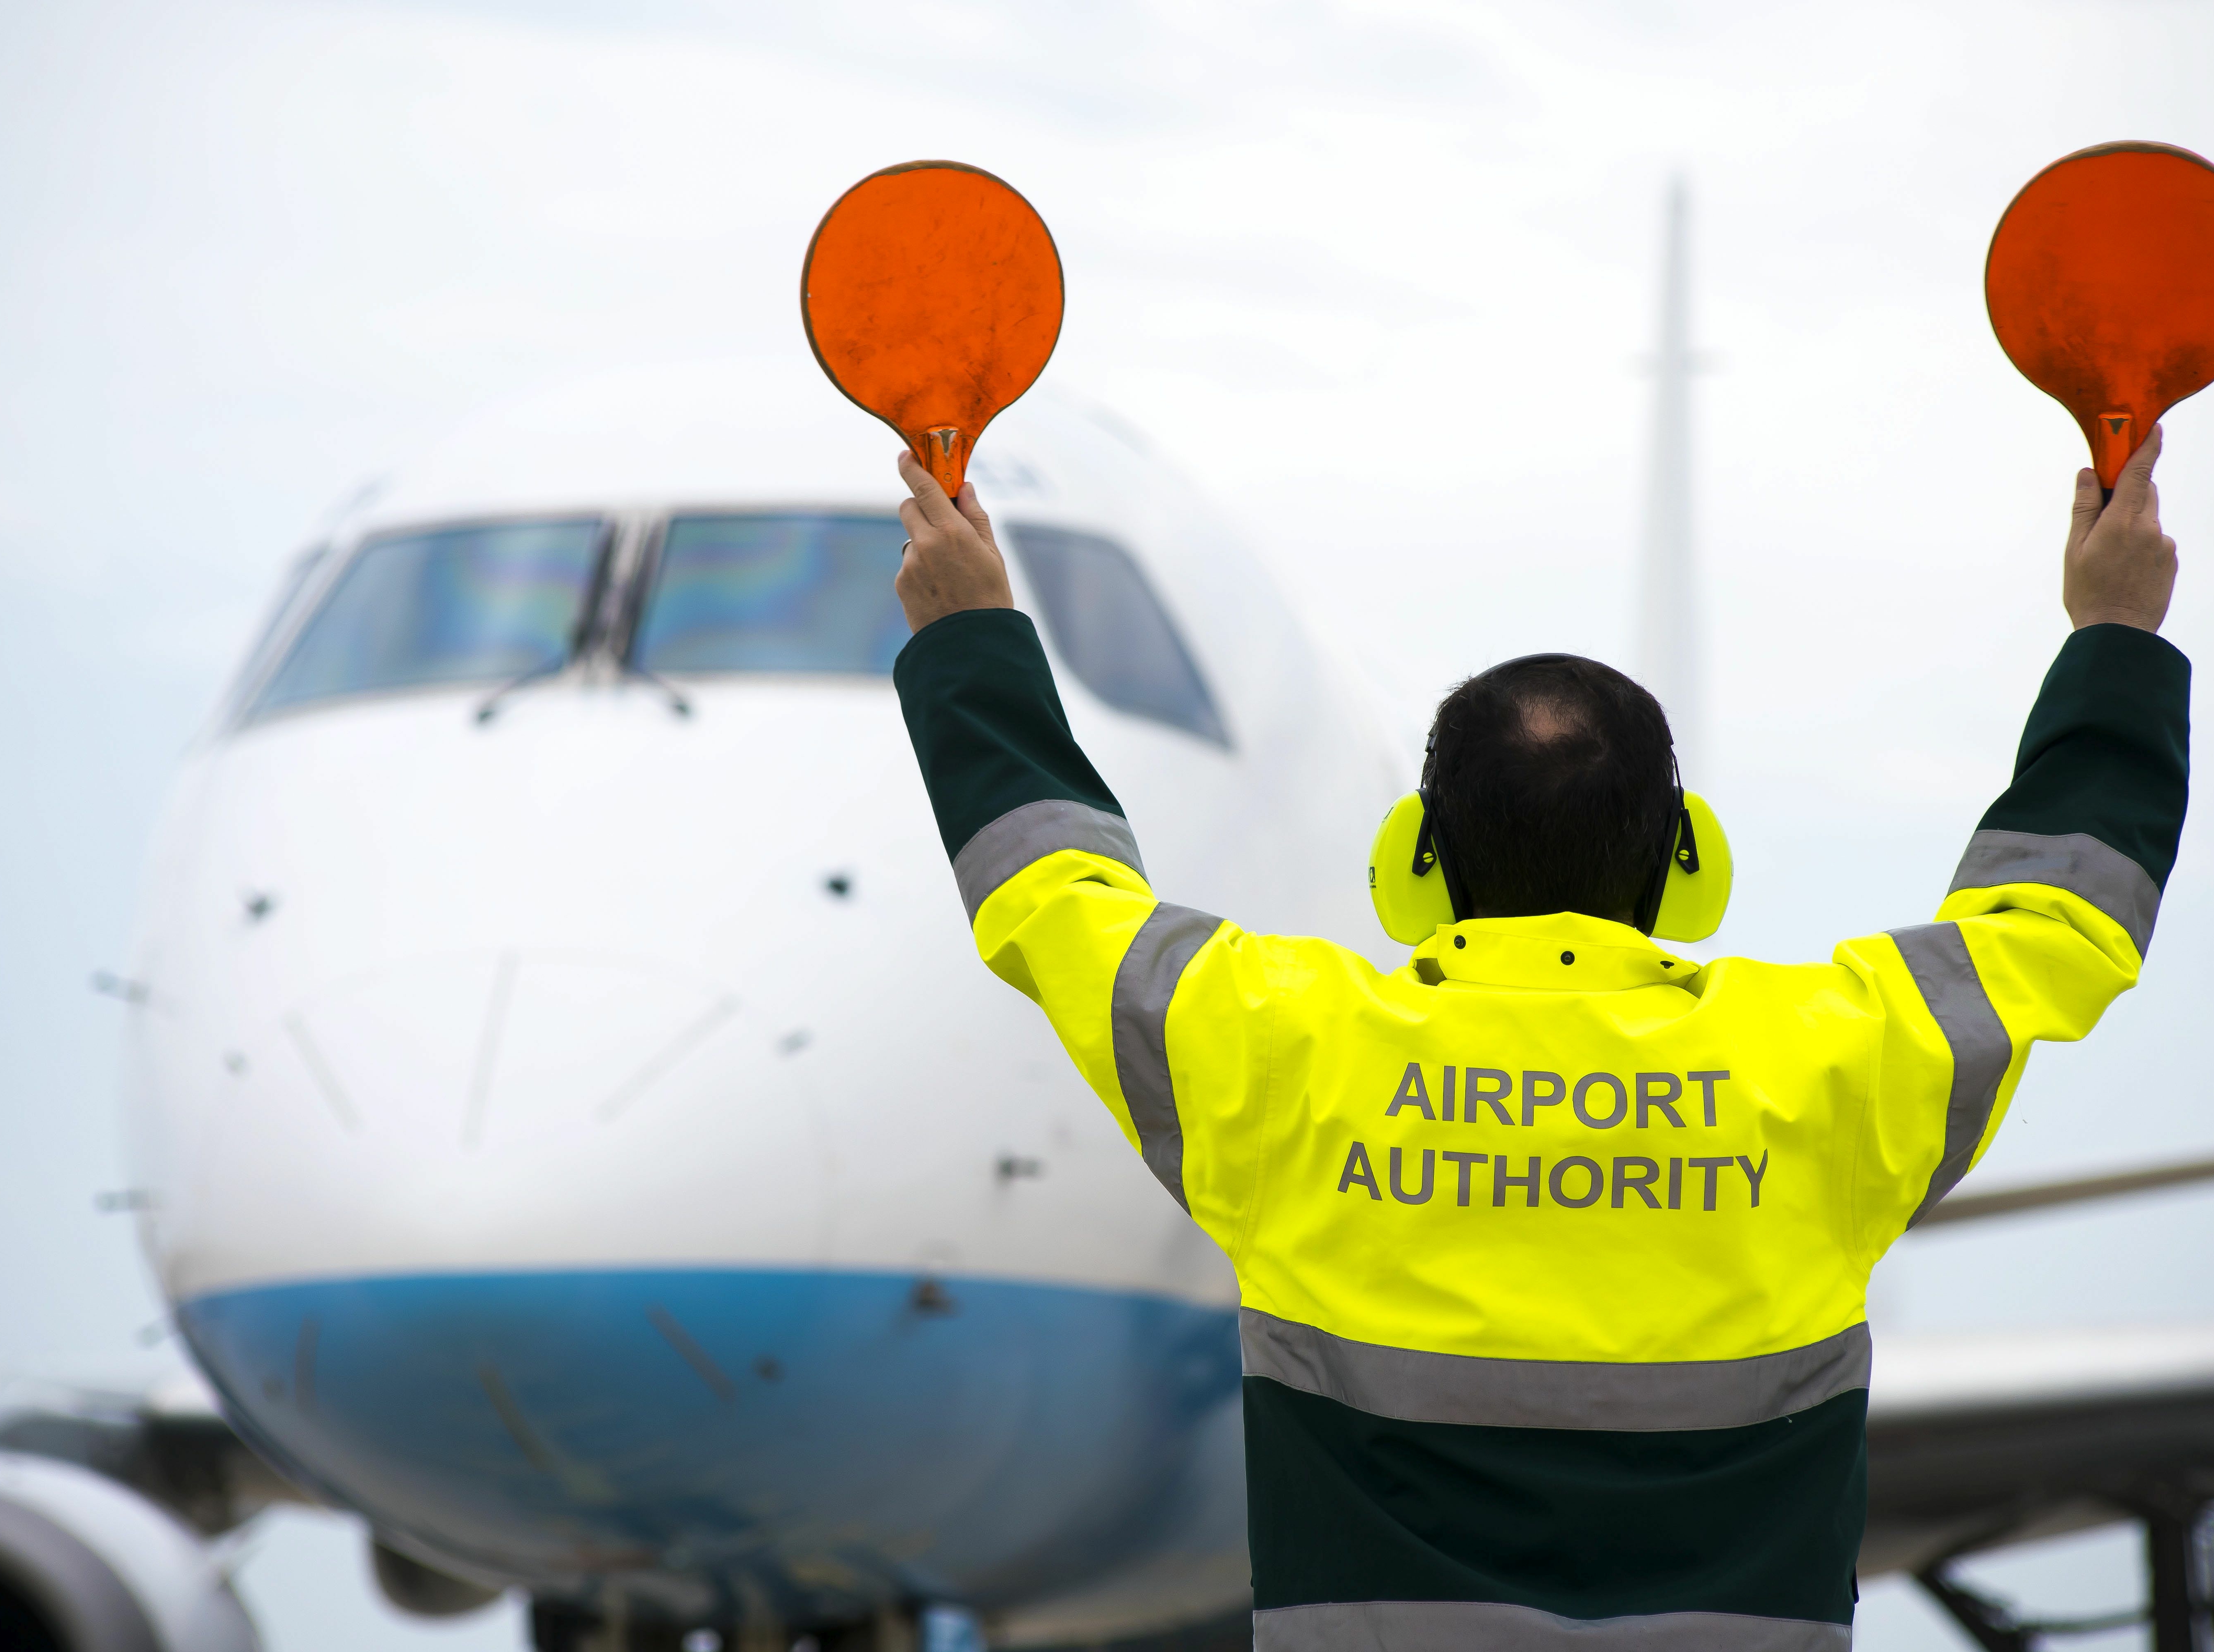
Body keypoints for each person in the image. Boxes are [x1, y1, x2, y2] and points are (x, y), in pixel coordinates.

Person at [887, 433, 2187, 1651]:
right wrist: (2115, 636)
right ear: (1685, 858)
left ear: (1419, 858)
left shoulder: (1282, 1048)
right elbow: (2057, 920)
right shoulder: (1833, 1057)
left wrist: (970, 636)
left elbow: (1051, 896)